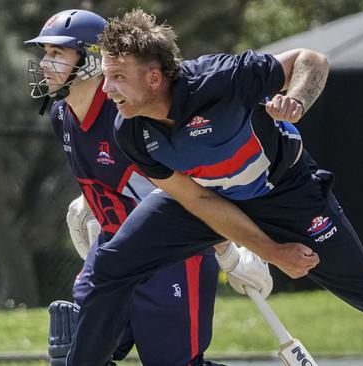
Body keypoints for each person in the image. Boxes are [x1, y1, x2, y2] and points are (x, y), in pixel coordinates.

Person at [67, 9, 363, 366]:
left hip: (286, 193)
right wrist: (270, 252)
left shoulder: (223, 78)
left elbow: (311, 60)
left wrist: (297, 101)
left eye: (118, 77)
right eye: (105, 76)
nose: (107, 89)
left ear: (155, 77)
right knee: (111, 267)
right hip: (204, 198)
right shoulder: (132, 132)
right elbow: (194, 198)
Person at [24, 9, 273, 366]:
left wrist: (230, 250)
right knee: (72, 352)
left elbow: (187, 192)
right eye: (45, 53)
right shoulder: (61, 115)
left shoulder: (131, 118)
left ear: (93, 60)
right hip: (115, 252)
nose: (45, 64)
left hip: (168, 255)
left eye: (57, 54)